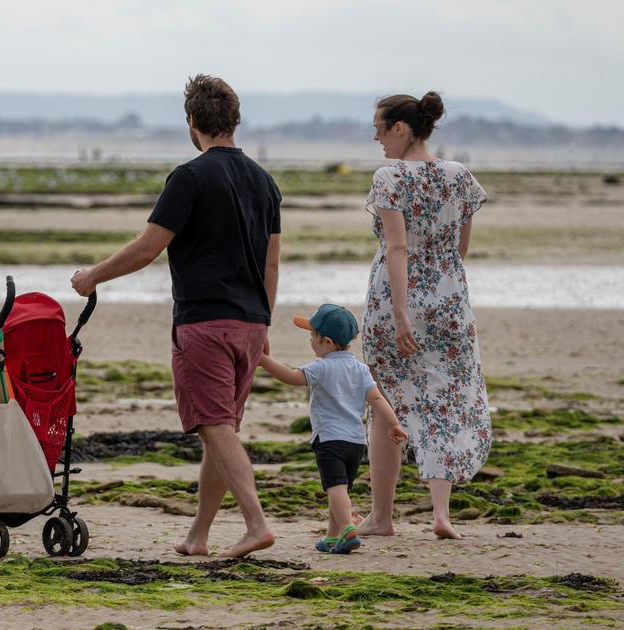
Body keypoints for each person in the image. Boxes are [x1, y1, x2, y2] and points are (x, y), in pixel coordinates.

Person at [71, 74, 281, 558]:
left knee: (214, 426)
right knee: (221, 430)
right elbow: (272, 262)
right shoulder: (264, 182)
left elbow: (148, 248)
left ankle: (256, 524)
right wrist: (264, 321)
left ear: (191, 123)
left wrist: (93, 277)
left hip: (204, 322)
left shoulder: (188, 177)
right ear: (235, 121)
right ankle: (199, 535)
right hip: (250, 321)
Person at [356, 91, 491, 540]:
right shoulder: (459, 176)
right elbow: (461, 247)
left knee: (386, 404)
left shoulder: (389, 177)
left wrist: (400, 312)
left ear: (400, 128)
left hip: (397, 297)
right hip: (450, 296)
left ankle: (381, 517)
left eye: (379, 128)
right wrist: (443, 283)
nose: (376, 138)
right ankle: (440, 513)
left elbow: (397, 247)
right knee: (446, 400)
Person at [258, 304, 406, 553]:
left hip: (330, 439)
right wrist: (394, 424)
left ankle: (348, 529)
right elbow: (378, 399)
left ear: (326, 341)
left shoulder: (321, 367)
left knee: (335, 489)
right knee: (340, 490)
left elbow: (291, 377)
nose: (311, 341)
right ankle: (331, 537)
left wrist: (262, 359)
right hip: (356, 442)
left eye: (312, 336)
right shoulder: (360, 369)